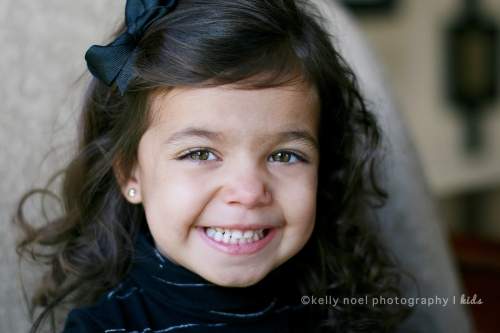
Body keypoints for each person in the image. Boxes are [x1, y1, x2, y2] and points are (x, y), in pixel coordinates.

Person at [15, 0, 412, 332]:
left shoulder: (340, 315)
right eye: (200, 154)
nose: (248, 191)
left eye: (284, 155)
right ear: (130, 174)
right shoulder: (104, 327)